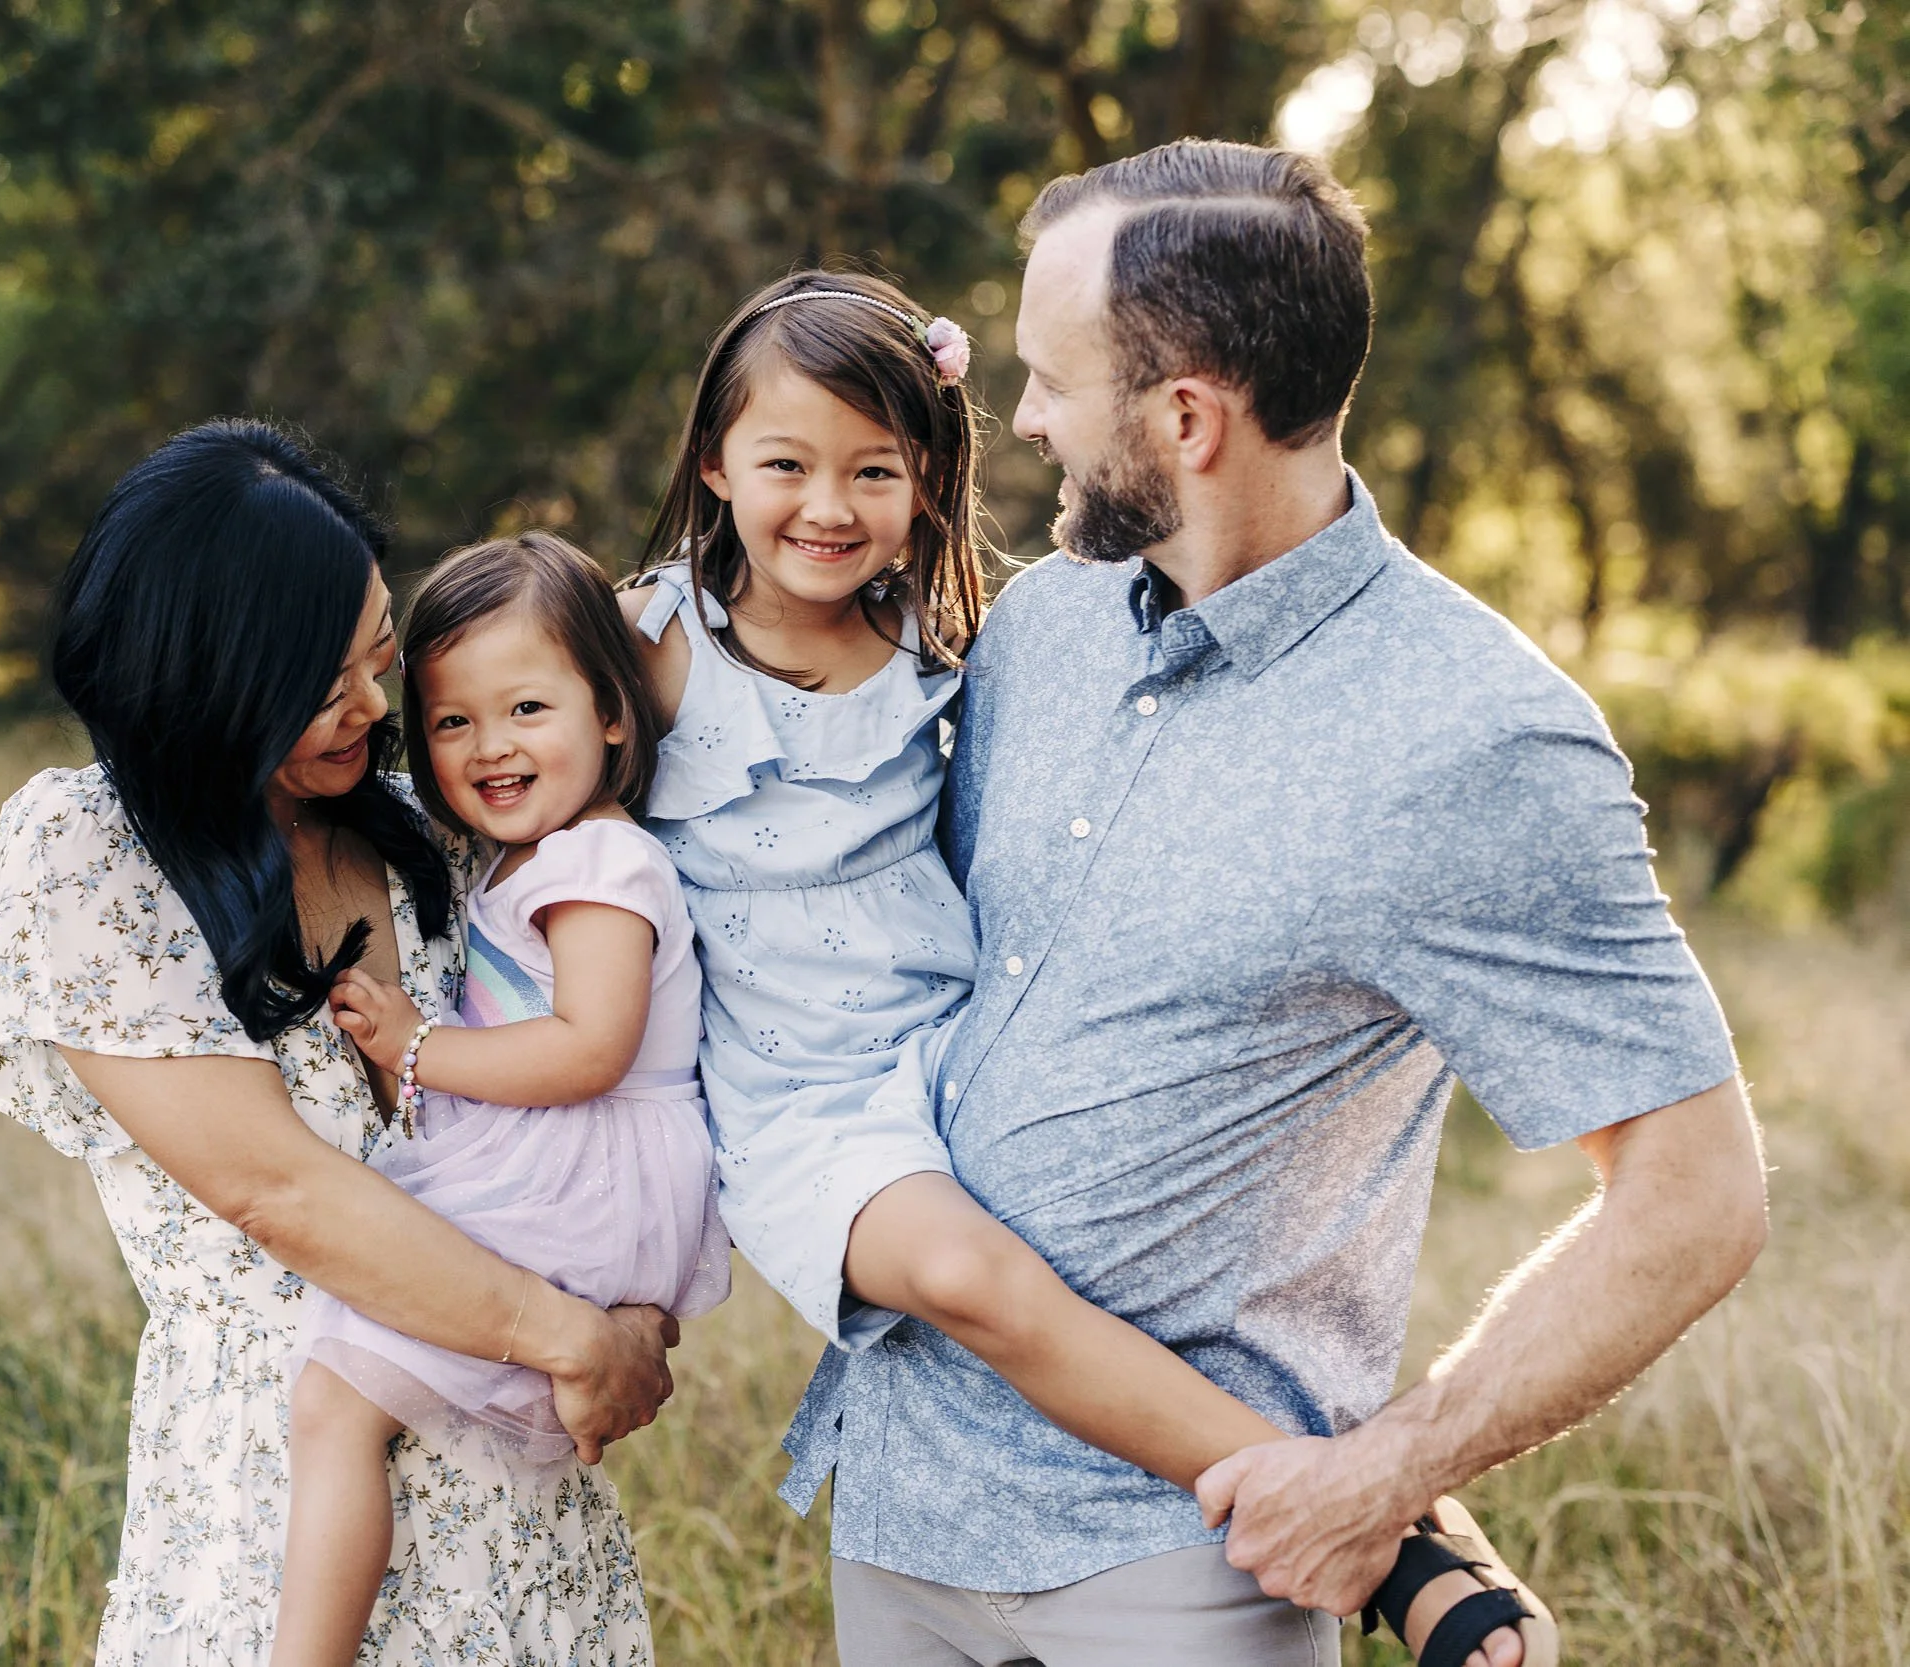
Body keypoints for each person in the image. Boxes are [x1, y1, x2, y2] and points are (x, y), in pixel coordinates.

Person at [774, 141, 1767, 1664]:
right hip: (901, 1519)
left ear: (1187, 416)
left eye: (1051, 378)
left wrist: (1392, 1478)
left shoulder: (1474, 735)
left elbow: (1699, 1194)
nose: (1023, 415)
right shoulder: (1041, 625)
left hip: (1183, 1573)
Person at [622, 268, 1547, 1665]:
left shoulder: (941, 644)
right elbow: (507, 788)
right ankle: (1386, 1527)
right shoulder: (655, 643)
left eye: (875, 468)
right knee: (972, 1275)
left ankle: (1357, 1485)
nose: (828, 504)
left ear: (930, 484)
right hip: (795, 1093)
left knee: (1063, 1256)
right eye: (785, 464)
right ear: (712, 464)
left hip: (945, 1048)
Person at [0, 422, 679, 1667]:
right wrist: (572, 1337)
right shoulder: (88, 852)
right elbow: (271, 1184)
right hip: (280, 1515)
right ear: (203, 674)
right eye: (318, 679)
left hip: (514, 1506)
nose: (372, 707)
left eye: (378, 653)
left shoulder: (428, 823)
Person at [270, 533, 732, 1667]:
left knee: (335, 1398)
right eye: (452, 721)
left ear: (614, 715)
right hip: (567, 1163)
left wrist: (418, 1046)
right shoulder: (523, 857)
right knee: (358, 1395)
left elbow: (587, 1049)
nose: (491, 747)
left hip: (584, 1162)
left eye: (529, 706)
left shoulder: (598, 869)